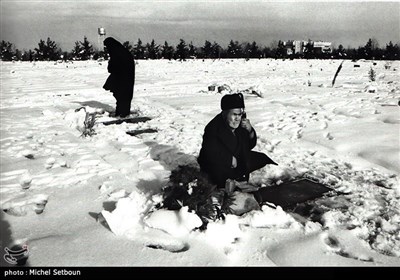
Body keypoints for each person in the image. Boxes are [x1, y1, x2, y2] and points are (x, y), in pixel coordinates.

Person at [198, 92, 277, 192]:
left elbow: (249, 146)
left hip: (236, 159)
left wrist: (250, 131)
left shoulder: (241, 123)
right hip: (217, 165)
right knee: (222, 177)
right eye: (234, 114)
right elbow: (210, 152)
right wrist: (229, 159)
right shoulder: (213, 128)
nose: (238, 118)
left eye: (240, 114)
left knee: (262, 159)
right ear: (225, 114)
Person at [103, 37, 135, 118]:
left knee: (122, 96)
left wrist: (110, 64)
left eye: (107, 47)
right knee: (123, 96)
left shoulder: (117, 54)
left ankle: (122, 114)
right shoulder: (122, 52)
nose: (107, 49)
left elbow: (112, 68)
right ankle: (122, 113)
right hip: (125, 79)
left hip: (122, 79)